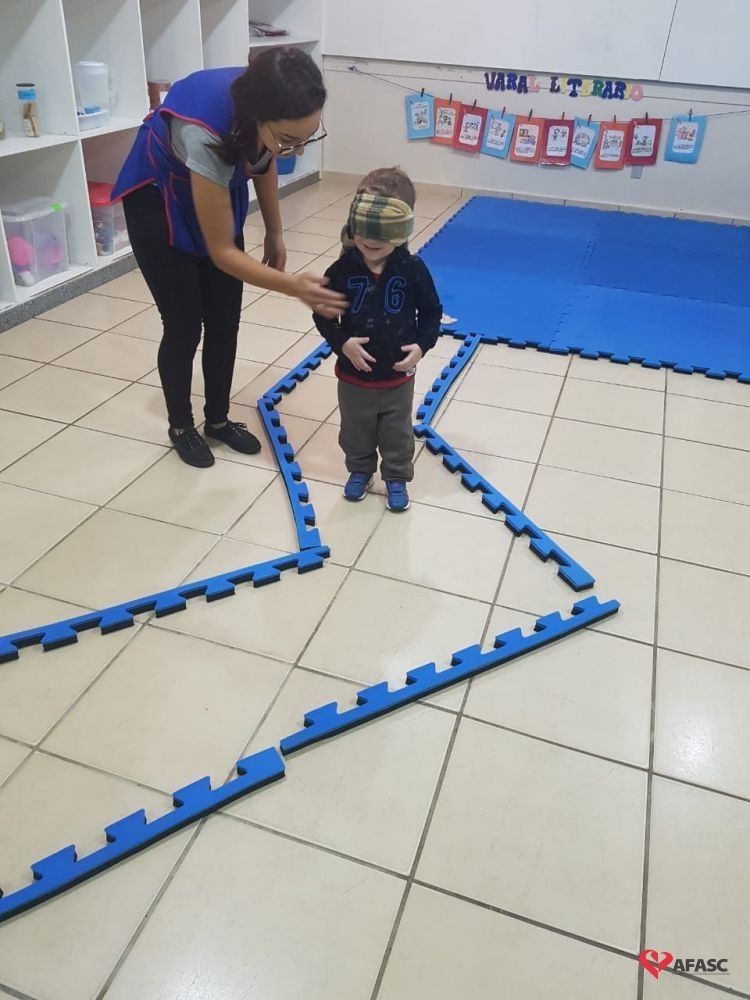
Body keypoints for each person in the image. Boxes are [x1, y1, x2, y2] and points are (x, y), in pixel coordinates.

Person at [111, 47, 347, 468]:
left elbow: (264, 157)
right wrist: (294, 287)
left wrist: (275, 231)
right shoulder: (204, 130)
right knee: (184, 324)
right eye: (289, 139)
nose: (295, 150)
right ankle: (181, 426)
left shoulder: (271, 101)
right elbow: (222, 252)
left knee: (224, 319)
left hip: (215, 185)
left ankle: (217, 420)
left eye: (307, 137)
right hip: (159, 200)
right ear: (257, 117)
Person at [313, 167, 442, 512]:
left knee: (397, 432)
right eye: (364, 227)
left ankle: (396, 477)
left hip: (397, 376)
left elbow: (432, 312)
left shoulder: (412, 269)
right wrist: (343, 343)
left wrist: (422, 345)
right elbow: (323, 316)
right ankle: (360, 470)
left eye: (382, 229)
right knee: (355, 430)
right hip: (353, 376)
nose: (371, 239)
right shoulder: (341, 271)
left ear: (402, 228)